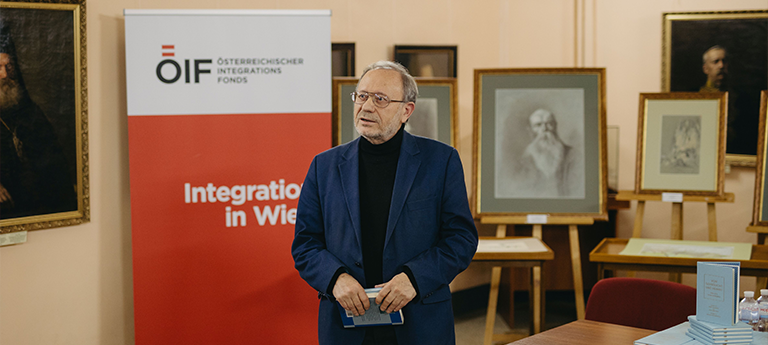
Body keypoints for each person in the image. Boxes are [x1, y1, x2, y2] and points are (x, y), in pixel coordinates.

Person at [291, 61, 478, 345]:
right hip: (347, 324)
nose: (366, 107)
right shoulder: (324, 166)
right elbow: (305, 244)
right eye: (362, 96)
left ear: (406, 110)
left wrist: (414, 278)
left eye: (380, 99)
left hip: (419, 321)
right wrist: (335, 279)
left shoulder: (441, 161)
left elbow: (461, 239)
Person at [0, 23, 76, 218]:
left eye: (9, 66)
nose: (5, 75)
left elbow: (55, 159)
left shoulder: (30, 111)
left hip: (38, 206)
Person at [513, 108, 583, 198]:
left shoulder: (573, 155)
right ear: (530, 130)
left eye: (549, 124)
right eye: (538, 125)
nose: (544, 129)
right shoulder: (524, 159)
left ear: (555, 126)